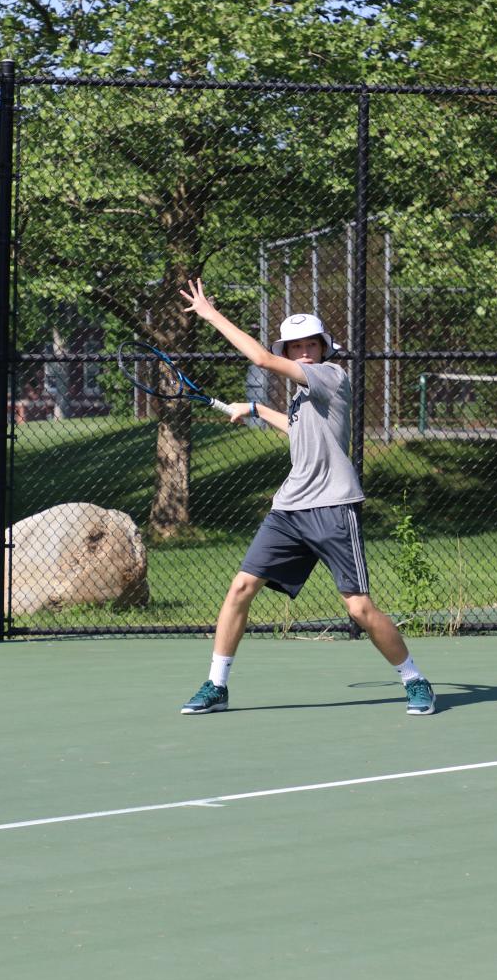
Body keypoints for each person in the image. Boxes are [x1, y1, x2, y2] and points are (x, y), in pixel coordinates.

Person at [176, 278, 435, 717]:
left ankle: (414, 679)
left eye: (309, 344)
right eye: (294, 347)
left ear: (323, 346)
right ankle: (216, 684)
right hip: (290, 509)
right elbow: (298, 431)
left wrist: (210, 314)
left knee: (358, 608)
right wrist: (255, 408)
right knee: (241, 587)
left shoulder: (331, 377)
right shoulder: (303, 395)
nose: (302, 352)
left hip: (333, 507)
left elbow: (259, 357)